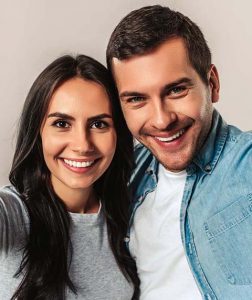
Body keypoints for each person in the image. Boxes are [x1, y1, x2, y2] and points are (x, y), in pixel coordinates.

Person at [106, 5, 252, 300]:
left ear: (212, 84)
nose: (161, 120)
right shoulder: (122, 179)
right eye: (137, 99)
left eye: (175, 90)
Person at [0, 54, 140, 299]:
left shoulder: (127, 212)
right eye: (62, 123)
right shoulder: (14, 213)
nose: (82, 145)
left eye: (99, 124)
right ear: (38, 132)